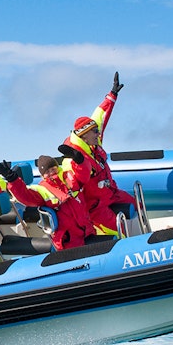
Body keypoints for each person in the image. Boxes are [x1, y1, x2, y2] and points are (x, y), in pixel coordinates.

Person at [58, 72, 136, 236]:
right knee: (119, 229)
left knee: (136, 206)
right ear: (84, 135)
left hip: (111, 193)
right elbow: (76, 184)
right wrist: (79, 163)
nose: (98, 133)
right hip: (95, 207)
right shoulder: (71, 159)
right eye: (94, 131)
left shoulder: (93, 141)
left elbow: (101, 116)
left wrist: (112, 95)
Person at [0, 156, 95, 250]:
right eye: (47, 171)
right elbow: (26, 196)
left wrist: (80, 159)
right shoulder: (42, 189)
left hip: (88, 232)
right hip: (68, 240)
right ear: (43, 175)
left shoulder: (70, 178)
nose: (51, 173)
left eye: (53, 169)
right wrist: (12, 179)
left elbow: (84, 173)